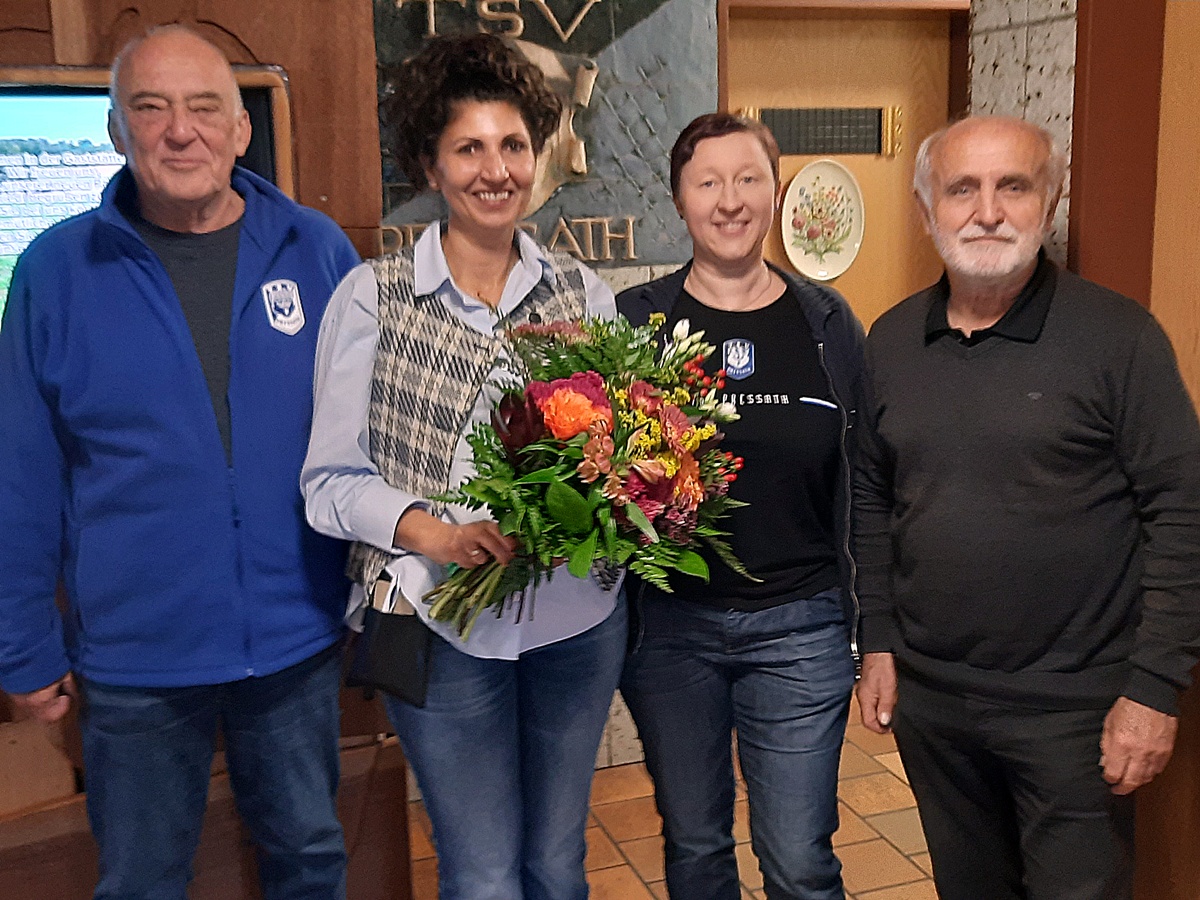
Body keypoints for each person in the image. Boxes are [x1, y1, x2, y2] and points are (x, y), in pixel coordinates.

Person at [0, 24, 360, 900]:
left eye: (205, 107)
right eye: (150, 109)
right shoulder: (55, 272)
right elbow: (20, 471)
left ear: (240, 130)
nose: (180, 131)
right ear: (118, 133)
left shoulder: (317, 252)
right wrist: (20, 644)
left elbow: (374, 433)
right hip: (136, 659)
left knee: (310, 861)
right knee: (141, 880)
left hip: (297, 638)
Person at [301, 33, 626, 900]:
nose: (496, 169)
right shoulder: (374, 296)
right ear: (432, 166)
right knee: (482, 874)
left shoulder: (582, 295)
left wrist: (608, 444)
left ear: (538, 157)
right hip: (439, 626)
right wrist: (435, 533)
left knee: (557, 865)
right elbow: (328, 483)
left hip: (573, 624)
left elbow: (621, 459)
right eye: (469, 148)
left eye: (513, 146)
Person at [853, 115, 1200, 900]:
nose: (987, 211)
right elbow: (872, 502)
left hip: (1076, 711)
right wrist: (876, 641)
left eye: (1014, 186)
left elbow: (1183, 511)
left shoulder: (1120, 340)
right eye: (962, 189)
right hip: (934, 702)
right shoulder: (892, 341)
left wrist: (1153, 688)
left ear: (1052, 198)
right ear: (926, 209)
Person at [617, 113, 865, 900]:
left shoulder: (827, 324)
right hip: (669, 632)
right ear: (680, 201)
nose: (730, 200)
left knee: (797, 859)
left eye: (748, 178)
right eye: (708, 182)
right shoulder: (634, 323)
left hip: (802, 625)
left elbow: (865, 477)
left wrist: (876, 626)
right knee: (694, 846)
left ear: (777, 192)